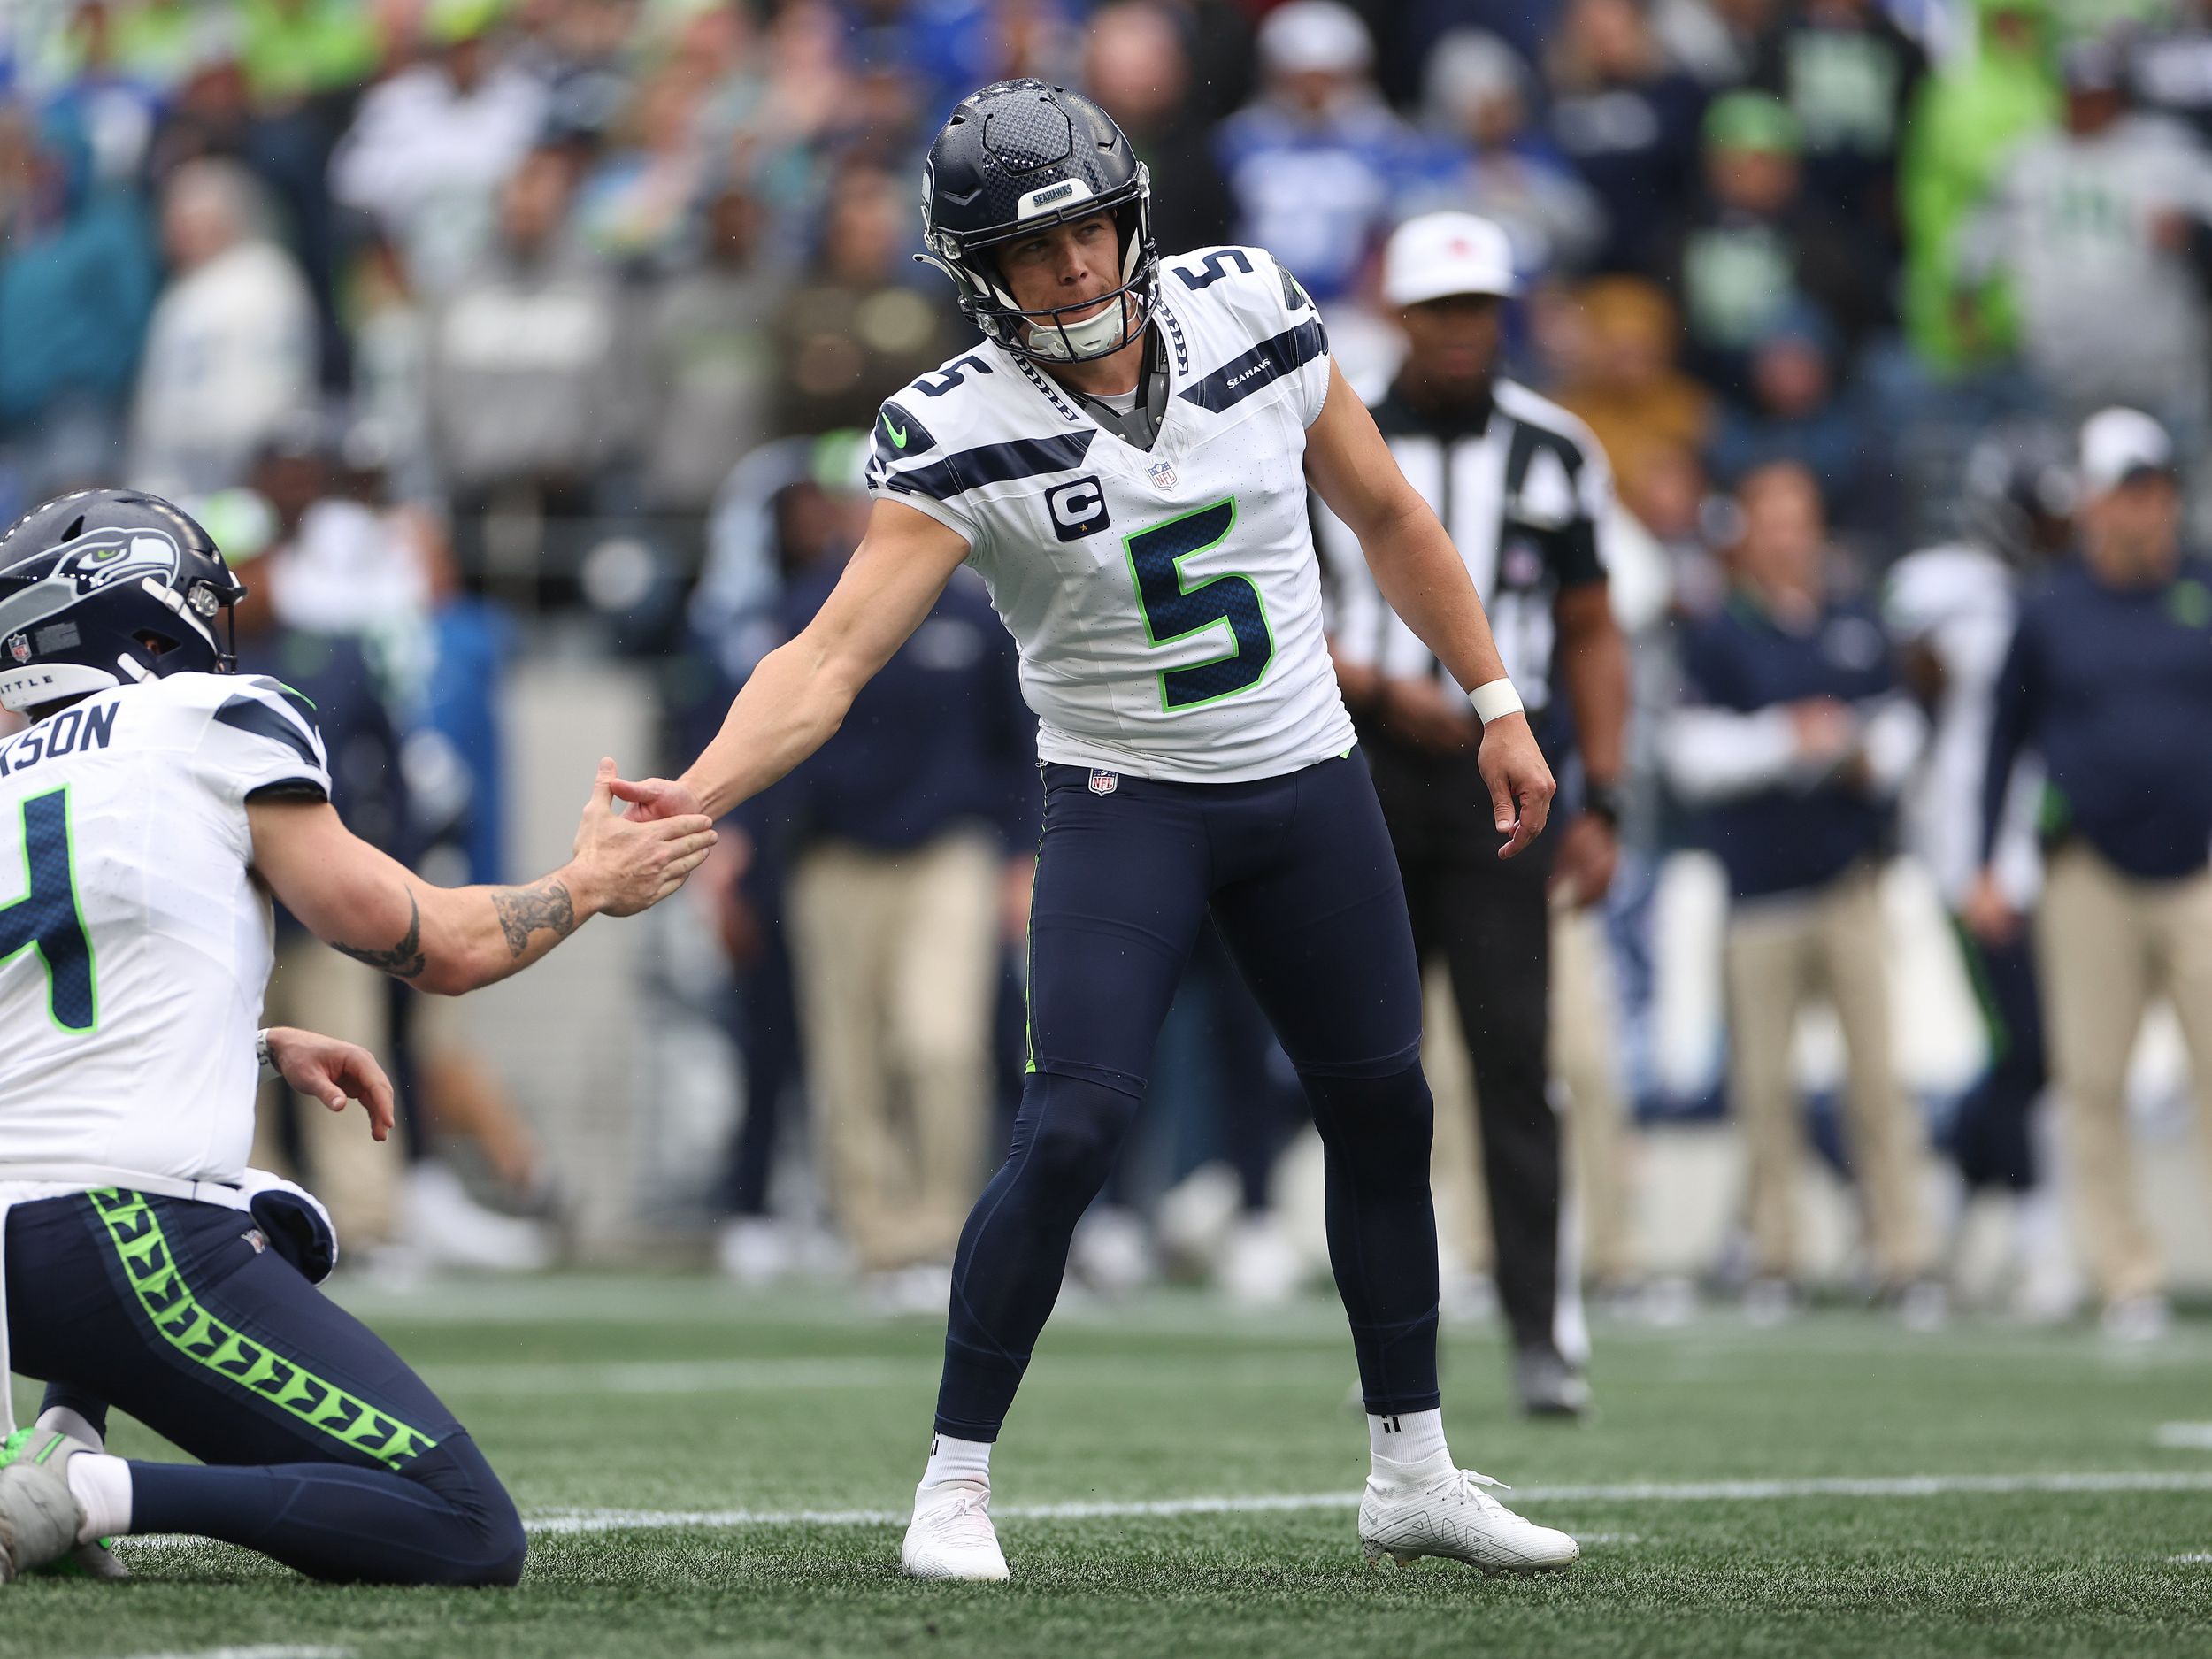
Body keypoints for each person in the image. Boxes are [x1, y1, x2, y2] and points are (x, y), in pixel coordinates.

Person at [611, 79, 1577, 1583]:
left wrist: (1498, 698)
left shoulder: (1250, 309)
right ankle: (951, 1485)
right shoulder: (955, 426)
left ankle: (1414, 1469)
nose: (1073, 267)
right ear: (978, 275)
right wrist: (701, 790)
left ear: (1133, 214)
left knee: (1387, 1109)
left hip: (1308, 779)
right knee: (1071, 1122)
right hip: (1127, 801)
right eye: (1034, 249)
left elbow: (1388, 515)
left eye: (1089, 230)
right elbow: (829, 657)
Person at [0, 488, 716, 1583]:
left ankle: (66, 1434)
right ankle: (88, 1494)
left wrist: (245, 1040)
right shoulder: (209, 718)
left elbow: (55, 996)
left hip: (16, 1268)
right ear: (143, 620)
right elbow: (442, 948)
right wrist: (590, 881)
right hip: (118, 1239)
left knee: (280, 1218)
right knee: (466, 1528)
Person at [1314, 211, 1630, 1417]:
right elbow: (1282, 608)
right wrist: (1389, 685)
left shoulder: (1555, 448)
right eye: (1441, 310)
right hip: (1365, 763)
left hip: (1509, 774)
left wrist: (1606, 792)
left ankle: (1543, 1328)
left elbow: (1595, 629)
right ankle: (1390, 1340)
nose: (1463, 331)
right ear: (1398, 316)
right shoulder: (1331, 434)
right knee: (1373, 1067)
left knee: (1515, 1061)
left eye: (1480, 309)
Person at [1663, 461, 1936, 1321]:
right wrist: (1791, 740)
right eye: (1770, 519)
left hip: (1850, 881)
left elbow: (1899, 727)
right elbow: (1691, 758)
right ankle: (1774, 1255)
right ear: (1746, 531)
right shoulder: (1719, 631)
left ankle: (1899, 1255)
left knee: (1877, 1084)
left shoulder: (1854, 618)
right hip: (1759, 891)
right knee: (1764, 1091)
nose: (1787, 535)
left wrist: (1859, 749)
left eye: (1799, 517)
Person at [1969, 409, 2212, 1341]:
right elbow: (2001, 740)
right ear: (2095, 503)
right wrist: (1987, 861)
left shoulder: (2200, 592)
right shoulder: (2048, 610)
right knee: (2090, 1080)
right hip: (2085, 871)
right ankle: (2126, 1276)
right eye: (2127, 490)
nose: (2145, 507)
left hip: (2195, 867)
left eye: (2156, 489)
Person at [1883, 424, 2071, 1312]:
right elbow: (1905, 705)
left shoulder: (2070, 597)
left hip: (2054, 850)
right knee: (2024, 1044)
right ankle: (2031, 1238)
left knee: (2034, 1051)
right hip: (1969, 849)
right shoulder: (1942, 587)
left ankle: (1959, 1203)